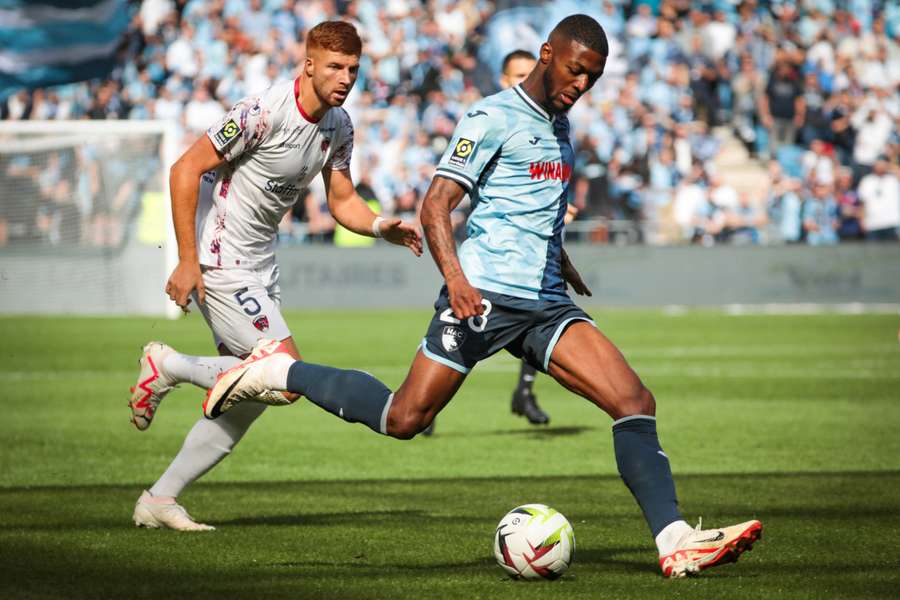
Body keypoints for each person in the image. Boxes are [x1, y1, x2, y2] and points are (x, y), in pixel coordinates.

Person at [204, 15, 762, 578]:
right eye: (574, 71)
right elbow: (436, 205)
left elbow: (533, 203)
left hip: (544, 303)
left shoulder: (560, 124)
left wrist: (560, 259)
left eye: (592, 77)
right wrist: (457, 281)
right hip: (484, 297)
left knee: (634, 401)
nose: (581, 85)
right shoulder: (491, 116)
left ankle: (673, 542)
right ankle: (279, 372)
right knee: (405, 417)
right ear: (547, 54)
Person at [127, 21, 422, 531]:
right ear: (308, 64)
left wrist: (378, 226)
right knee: (284, 379)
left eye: (353, 69)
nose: (346, 77)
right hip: (223, 261)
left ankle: (160, 498)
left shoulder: (340, 126)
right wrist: (187, 259)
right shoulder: (261, 112)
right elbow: (184, 169)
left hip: (262, 267)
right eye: (335, 66)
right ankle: (168, 365)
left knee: (249, 401)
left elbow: (343, 200)